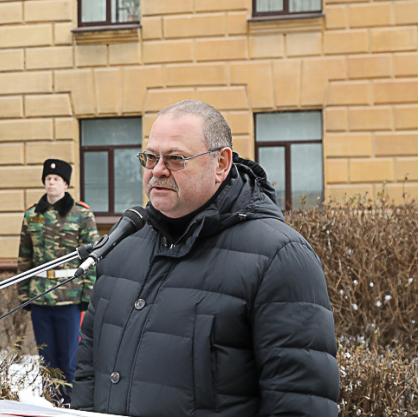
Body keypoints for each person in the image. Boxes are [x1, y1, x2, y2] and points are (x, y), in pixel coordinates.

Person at [73, 100, 339, 416]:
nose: (158, 170)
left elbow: (300, 402)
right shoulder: (125, 244)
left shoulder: (278, 256)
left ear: (221, 164)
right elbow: (90, 368)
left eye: (175, 159)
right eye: (150, 158)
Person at [17, 158, 99, 406]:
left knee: (69, 356)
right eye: (48, 179)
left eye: (56, 179)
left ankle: (73, 404)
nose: (51, 183)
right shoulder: (32, 214)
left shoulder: (82, 214)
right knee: (46, 356)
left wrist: (89, 296)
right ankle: (51, 402)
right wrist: (23, 295)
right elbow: (24, 257)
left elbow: (93, 257)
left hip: (70, 296)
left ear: (65, 183)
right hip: (40, 294)